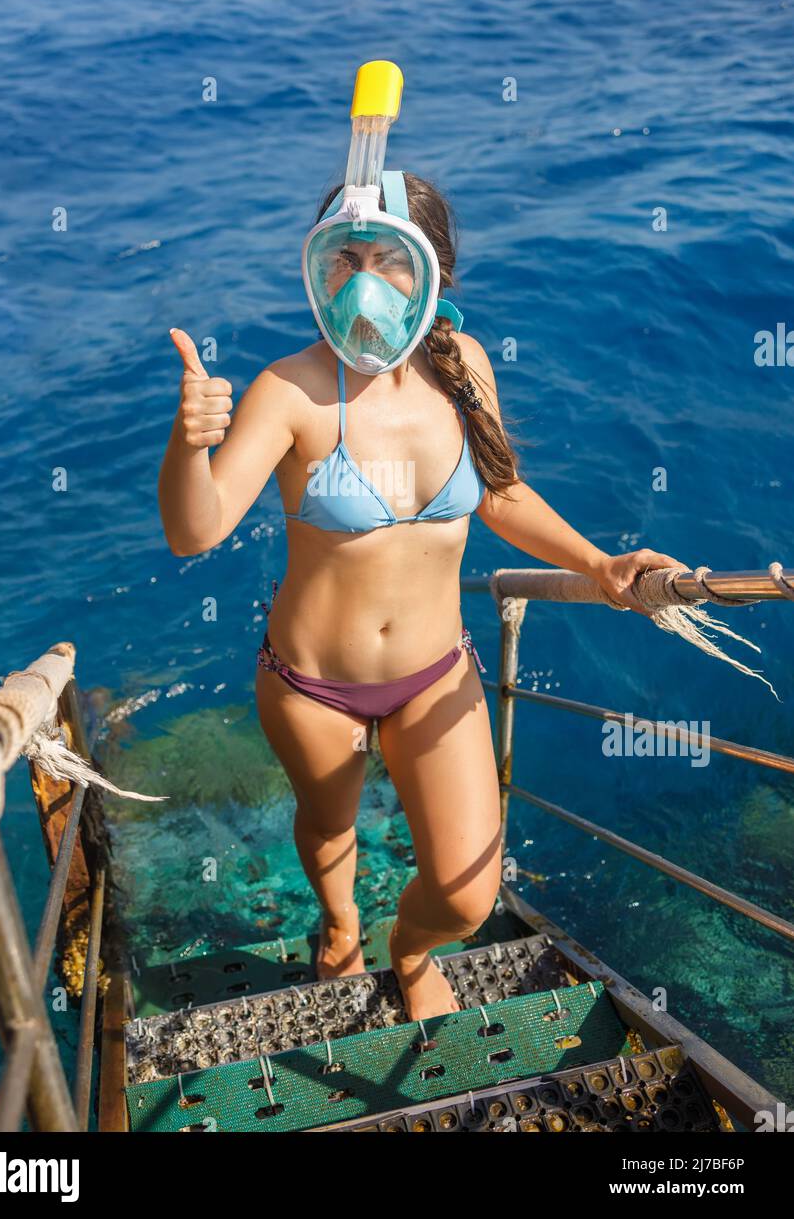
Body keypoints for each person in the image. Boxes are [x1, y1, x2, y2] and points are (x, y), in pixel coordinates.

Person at [158, 64, 689, 1022]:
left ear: (432, 271)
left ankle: (408, 947)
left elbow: (501, 494)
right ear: (319, 269)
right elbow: (195, 531)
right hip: (311, 683)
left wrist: (601, 567)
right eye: (343, 262)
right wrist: (188, 439)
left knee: (469, 891)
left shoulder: (463, 366)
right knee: (327, 830)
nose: (366, 288)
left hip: (435, 673)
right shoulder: (292, 392)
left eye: (390, 261)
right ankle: (340, 929)